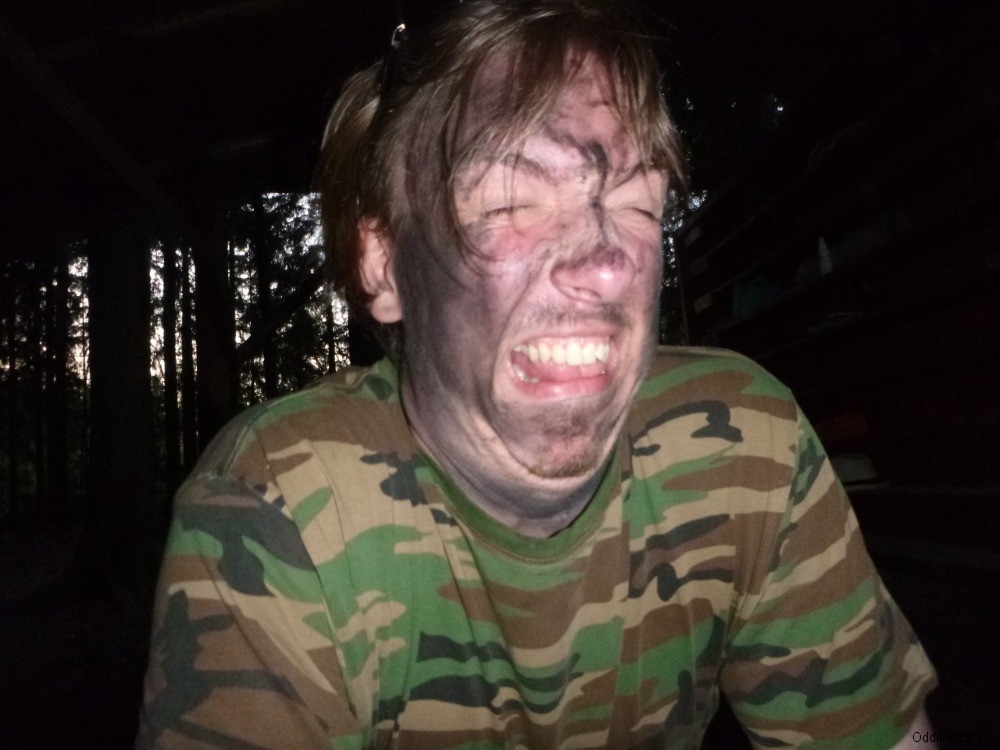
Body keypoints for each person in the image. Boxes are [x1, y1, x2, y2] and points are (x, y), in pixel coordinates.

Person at [137, 2, 937, 748]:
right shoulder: (279, 505)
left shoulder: (745, 446)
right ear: (383, 265)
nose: (608, 264)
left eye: (638, 203)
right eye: (512, 200)